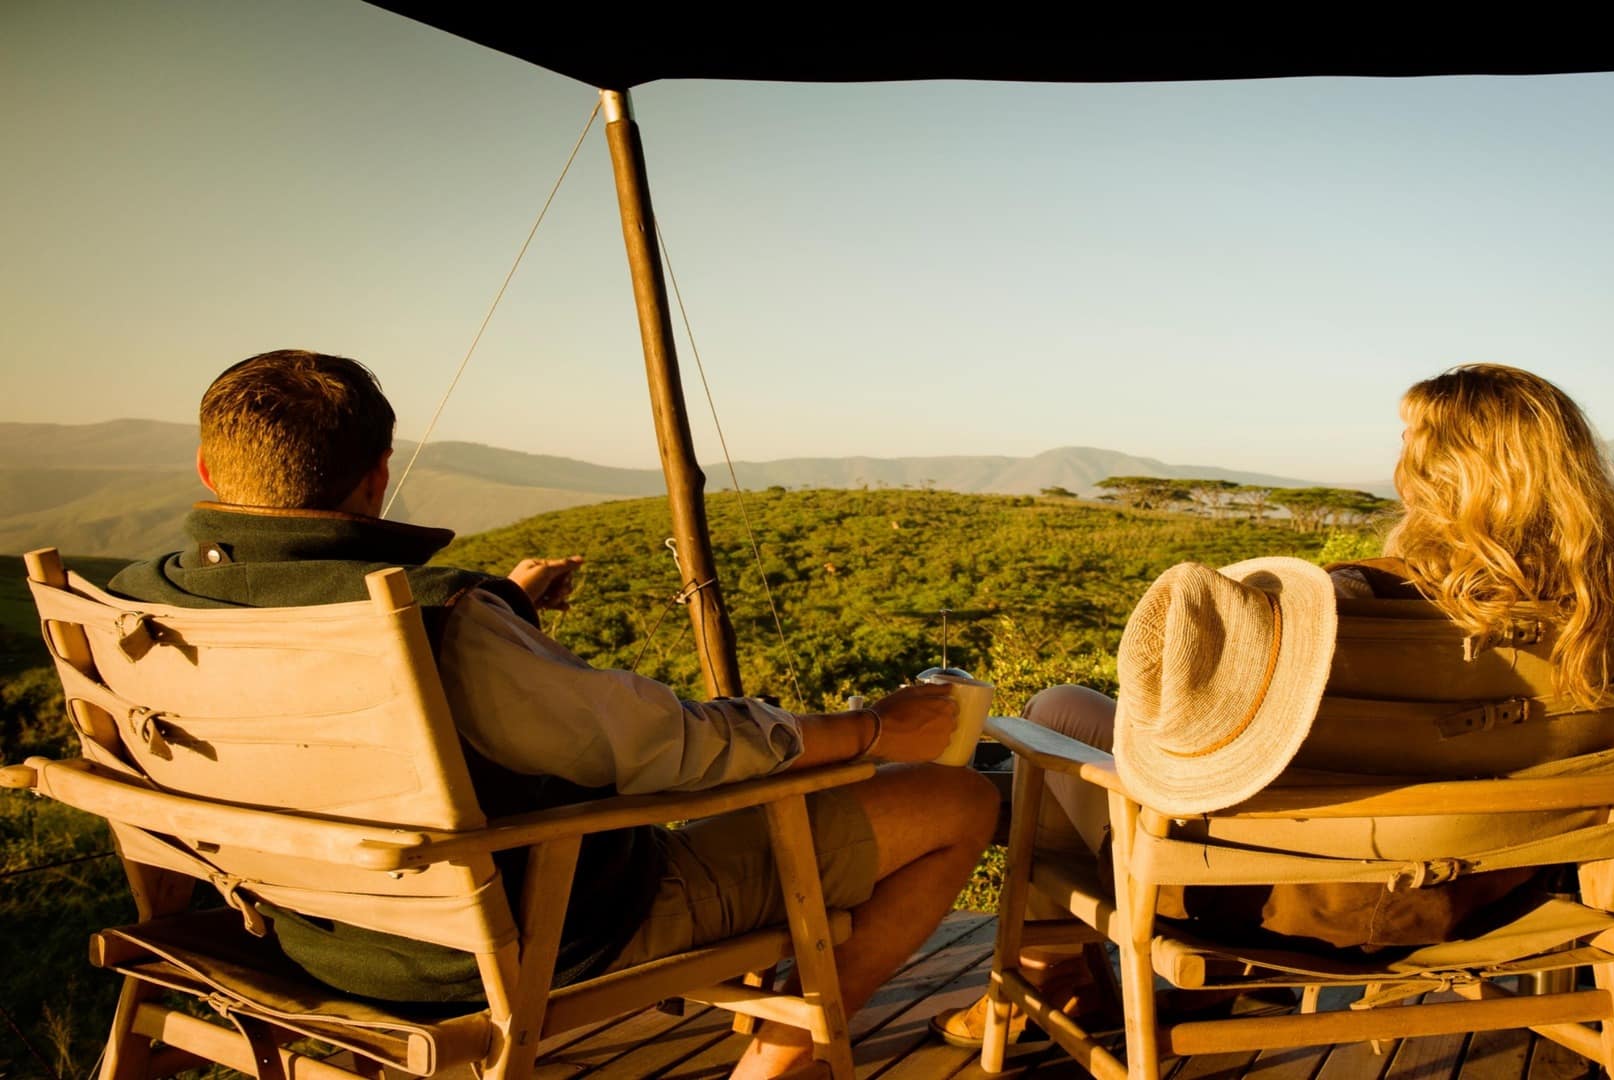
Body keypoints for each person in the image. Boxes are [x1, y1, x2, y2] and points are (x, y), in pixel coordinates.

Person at [111, 350, 999, 1080]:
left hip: (305, 933)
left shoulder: (137, 609)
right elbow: (675, 747)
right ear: (378, 477)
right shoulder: (441, 624)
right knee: (956, 805)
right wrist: (873, 729)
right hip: (521, 942)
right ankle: (783, 1068)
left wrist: (506, 613)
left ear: (207, 470)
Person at [934, 362, 1614, 1048]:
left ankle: (1052, 980)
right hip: (1496, 898)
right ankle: (1076, 984)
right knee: (1073, 715)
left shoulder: (1345, 604)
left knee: (1058, 714)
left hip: (1285, 907)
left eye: (1410, 441)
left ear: (1434, 470)